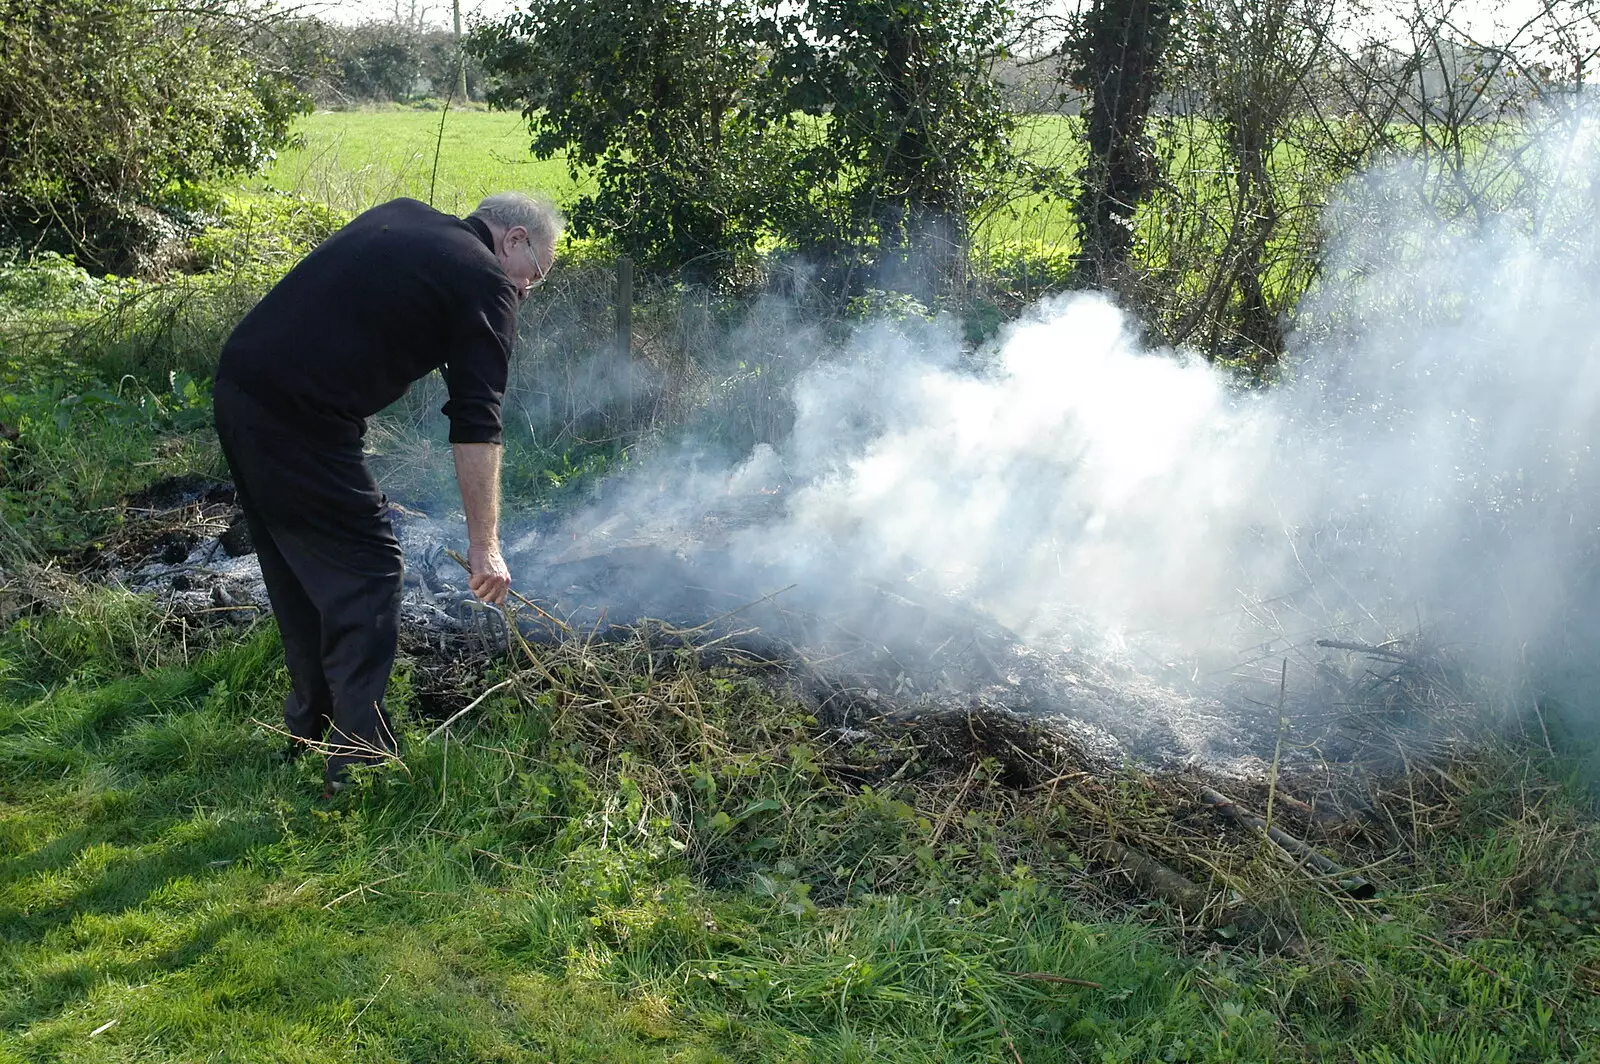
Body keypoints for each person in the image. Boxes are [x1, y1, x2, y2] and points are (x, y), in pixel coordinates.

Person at [212, 193, 561, 795]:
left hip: (243, 383)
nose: (527, 294)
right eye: (534, 277)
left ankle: (309, 729)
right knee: (370, 569)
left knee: (300, 571)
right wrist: (486, 546)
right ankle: (360, 761)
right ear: (515, 241)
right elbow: (477, 421)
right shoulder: (485, 280)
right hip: (300, 413)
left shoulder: (410, 218)